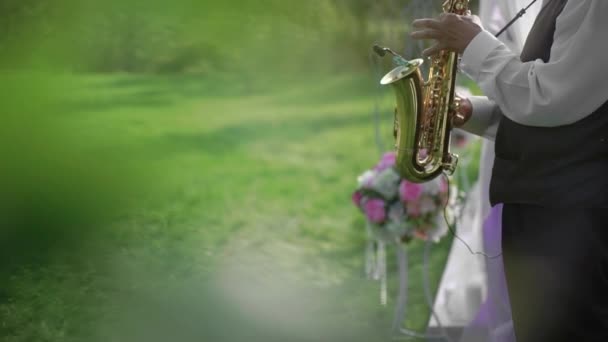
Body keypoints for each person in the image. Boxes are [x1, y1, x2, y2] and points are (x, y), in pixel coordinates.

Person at [411, 1, 608, 341]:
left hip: (572, 217)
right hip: (552, 208)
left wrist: (474, 43)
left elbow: (549, 96)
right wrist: (471, 111)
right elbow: (559, 109)